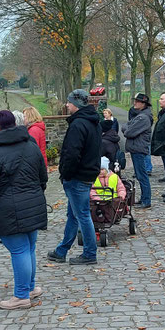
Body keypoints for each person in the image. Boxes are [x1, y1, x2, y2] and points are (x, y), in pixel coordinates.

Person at [0, 111, 49, 310]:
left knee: (19, 249)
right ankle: (29, 288)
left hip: (10, 207)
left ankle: (22, 295)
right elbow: (43, 176)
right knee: (28, 247)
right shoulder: (31, 146)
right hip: (33, 202)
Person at [47, 89, 102, 266]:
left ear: (76, 105)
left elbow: (72, 154)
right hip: (87, 174)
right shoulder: (93, 122)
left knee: (82, 215)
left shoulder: (78, 125)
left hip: (78, 177)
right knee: (73, 214)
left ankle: (89, 253)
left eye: (69, 102)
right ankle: (61, 251)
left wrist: (66, 174)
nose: (66, 105)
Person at [123, 93, 153, 208]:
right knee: (140, 175)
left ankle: (146, 200)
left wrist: (128, 129)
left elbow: (128, 132)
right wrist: (128, 128)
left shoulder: (143, 117)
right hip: (136, 148)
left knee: (142, 175)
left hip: (139, 148)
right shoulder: (140, 115)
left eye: (137, 101)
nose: (134, 103)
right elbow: (126, 126)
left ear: (143, 104)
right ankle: (144, 198)